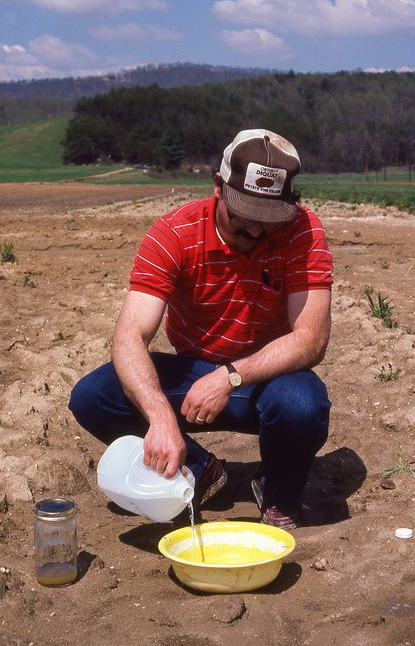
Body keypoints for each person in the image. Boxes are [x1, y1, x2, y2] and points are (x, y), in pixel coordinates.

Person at [69, 128, 333, 530]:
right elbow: (129, 337)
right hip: (191, 372)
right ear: (217, 187)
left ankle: (277, 492)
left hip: (268, 379)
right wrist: (159, 416)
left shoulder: (302, 231)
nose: (258, 231)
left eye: (269, 218)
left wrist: (229, 377)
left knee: (303, 405)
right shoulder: (175, 234)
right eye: (244, 215)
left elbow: (311, 340)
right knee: (93, 397)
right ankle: (198, 468)